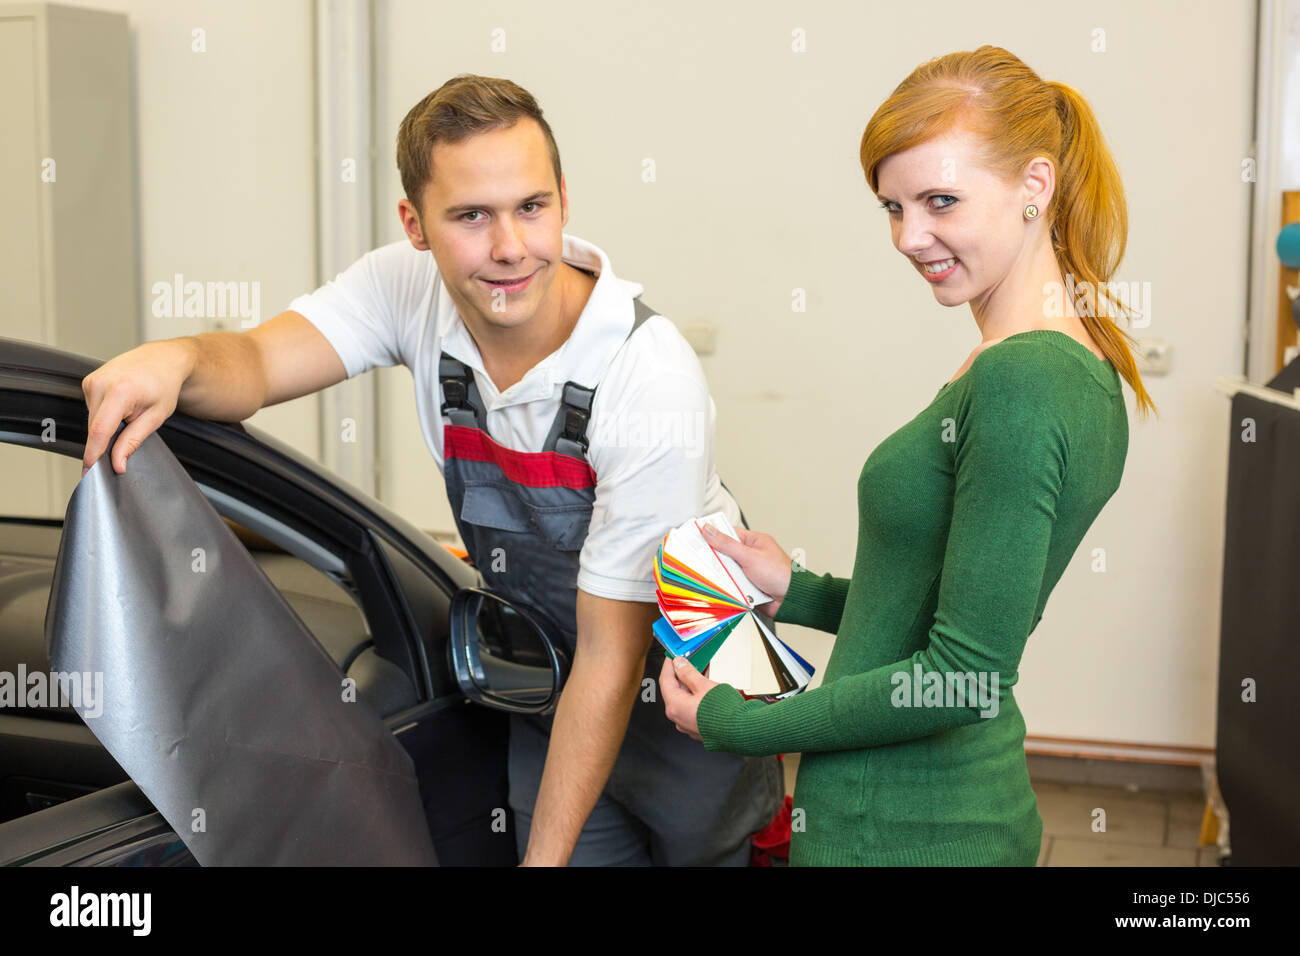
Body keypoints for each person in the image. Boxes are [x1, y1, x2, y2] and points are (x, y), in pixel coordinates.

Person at [80, 74, 783, 866]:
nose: (511, 247)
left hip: (689, 698)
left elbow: (615, 658)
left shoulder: (647, 375)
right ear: (415, 224)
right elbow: (255, 361)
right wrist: (175, 358)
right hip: (558, 689)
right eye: (472, 216)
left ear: (563, 199)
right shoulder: (405, 289)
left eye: (531, 207)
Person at [659, 45, 1158, 866]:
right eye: (893, 206)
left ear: (1035, 186)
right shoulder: (1065, 360)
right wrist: (800, 591)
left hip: (906, 828)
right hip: (934, 813)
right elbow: (945, 601)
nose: (909, 235)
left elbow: (964, 672)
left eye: (940, 201)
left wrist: (741, 723)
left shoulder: (1025, 379)